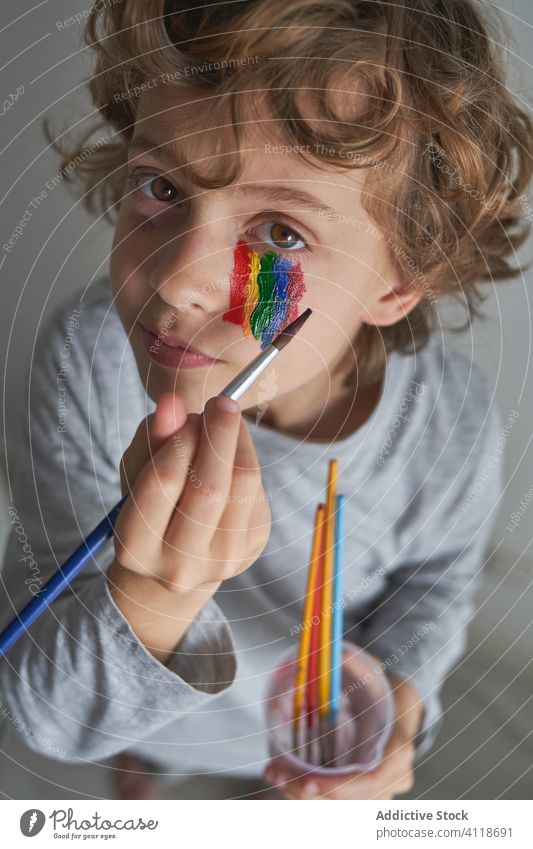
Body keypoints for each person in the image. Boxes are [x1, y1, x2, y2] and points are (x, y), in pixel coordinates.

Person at [1, 0, 531, 800]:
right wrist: (153, 595)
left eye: (280, 234)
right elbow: (46, 714)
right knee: (139, 751)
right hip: (144, 713)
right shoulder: (86, 362)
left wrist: (402, 704)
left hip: (299, 738)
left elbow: (434, 583)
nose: (178, 282)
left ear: (398, 280)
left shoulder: (448, 428)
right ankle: (149, 758)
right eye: (161, 185)